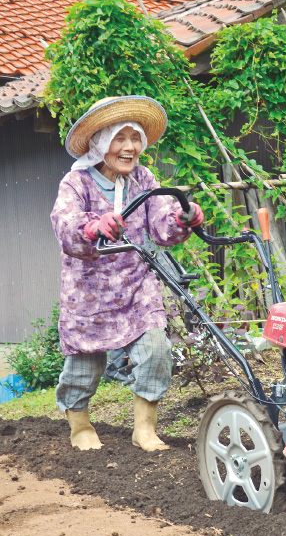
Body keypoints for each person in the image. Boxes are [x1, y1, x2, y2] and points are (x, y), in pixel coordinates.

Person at [51, 95, 203, 452]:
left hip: (136, 283)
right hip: (88, 290)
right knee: (84, 366)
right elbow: (65, 225)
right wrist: (93, 226)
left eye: (135, 139)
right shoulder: (76, 184)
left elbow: (163, 228)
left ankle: (144, 429)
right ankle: (80, 426)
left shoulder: (144, 179)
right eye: (120, 138)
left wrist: (182, 219)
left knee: (156, 349)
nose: (130, 147)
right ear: (101, 141)